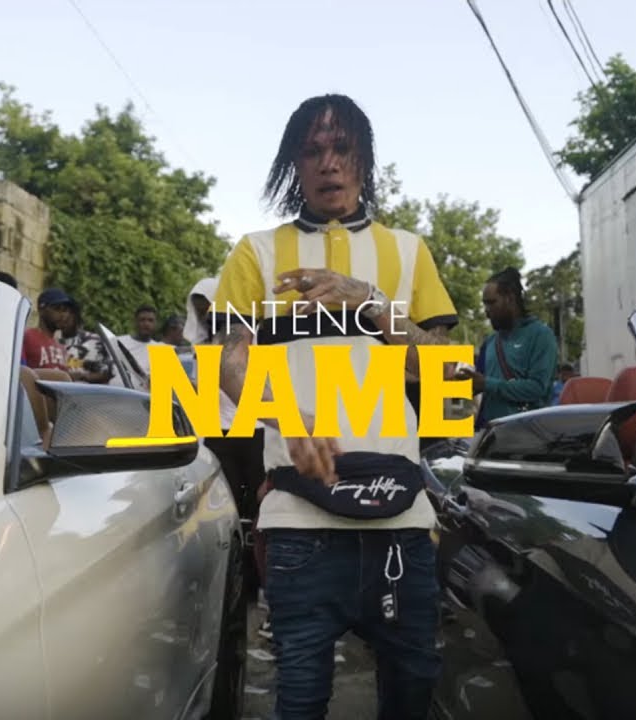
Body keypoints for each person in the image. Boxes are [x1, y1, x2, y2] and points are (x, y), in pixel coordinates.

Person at [213, 93, 458, 719]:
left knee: (412, 693)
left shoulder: (408, 252)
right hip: (299, 520)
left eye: (342, 148)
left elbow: (443, 367)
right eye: (312, 150)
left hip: (400, 520)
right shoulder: (256, 252)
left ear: (364, 160)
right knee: (299, 700)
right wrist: (284, 416)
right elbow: (225, 361)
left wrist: (370, 301)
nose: (329, 163)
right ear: (294, 164)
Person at [185, 276, 265, 595]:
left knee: (259, 507)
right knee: (224, 509)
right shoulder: (201, 346)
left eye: (209, 307)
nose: (205, 314)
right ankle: (231, 582)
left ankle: (258, 582)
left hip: (256, 430)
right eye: (199, 309)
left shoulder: (253, 338)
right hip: (218, 433)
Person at [459, 268, 558, 429]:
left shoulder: (541, 335)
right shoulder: (490, 342)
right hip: (492, 434)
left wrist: (487, 384)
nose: (486, 311)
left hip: (529, 433)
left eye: (491, 303)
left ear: (510, 299)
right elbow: (479, 384)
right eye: (485, 304)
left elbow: (537, 388)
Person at [54, 299, 114, 384]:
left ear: (77, 317)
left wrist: (83, 376)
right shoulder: (51, 342)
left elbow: (108, 373)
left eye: (67, 316)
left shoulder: (95, 341)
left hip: (86, 391)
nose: (63, 319)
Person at [112, 304, 164, 391]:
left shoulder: (161, 350)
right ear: (135, 322)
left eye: (150, 320)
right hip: (115, 394)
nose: (146, 324)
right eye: (142, 320)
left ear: (156, 324)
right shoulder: (118, 342)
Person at [23, 289, 71, 371]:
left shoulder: (61, 347)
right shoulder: (27, 336)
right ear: (41, 309)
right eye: (57, 309)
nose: (63, 315)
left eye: (65, 310)